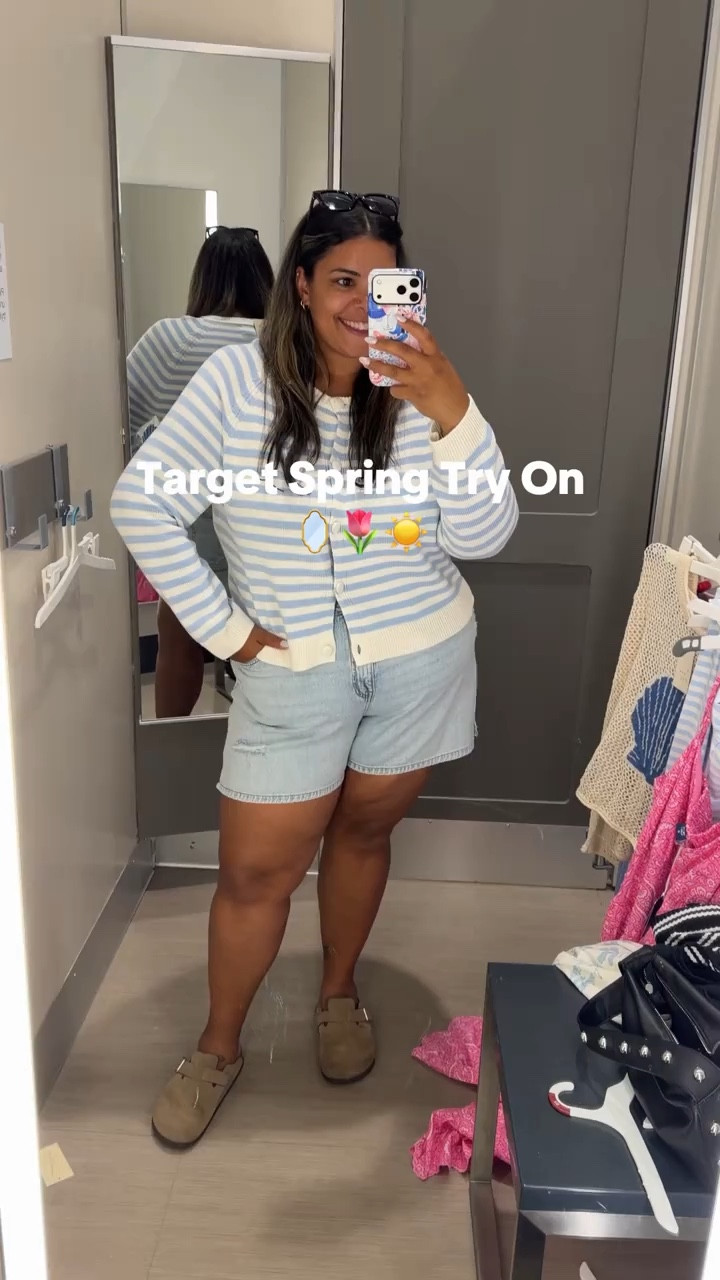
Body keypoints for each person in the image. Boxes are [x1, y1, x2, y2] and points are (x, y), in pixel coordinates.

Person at [111, 190, 519, 1146]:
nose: (361, 305)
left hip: (419, 664)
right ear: (299, 284)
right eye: (342, 281)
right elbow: (143, 503)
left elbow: (485, 535)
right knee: (256, 873)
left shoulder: (422, 390)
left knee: (364, 836)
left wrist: (453, 410)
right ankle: (218, 1045)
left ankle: (339, 993)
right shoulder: (235, 382)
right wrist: (227, 630)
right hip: (293, 674)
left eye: (385, 285)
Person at [126, 226, 275, 717]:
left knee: (179, 641)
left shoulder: (172, 339)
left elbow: (120, 418)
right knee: (273, 647)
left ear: (203, 278)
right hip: (273, 518)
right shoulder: (286, 340)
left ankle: (171, 743)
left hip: (198, 519)